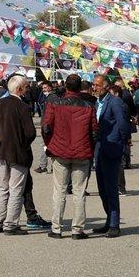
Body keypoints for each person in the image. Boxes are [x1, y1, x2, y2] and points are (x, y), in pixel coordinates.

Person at [42, 74, 98, 238]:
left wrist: (49, 145)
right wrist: (90, 149)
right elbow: (94, 131)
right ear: (80, 87)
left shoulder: (55, 103)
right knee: (79, 192)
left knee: (59, 190)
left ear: (65, 86)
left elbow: (46, 127)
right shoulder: (89, 105)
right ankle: (77, 229)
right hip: (81, 152)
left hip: (60, 151)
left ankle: (57, 228)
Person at [0, 75, 36, 235]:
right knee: (16, 189)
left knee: (3, 187)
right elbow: (30, 133)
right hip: (18, 152)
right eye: (26, 88)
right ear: (20, 89)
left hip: (1, 151)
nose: (27, 91)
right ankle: (10, 224)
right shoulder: (23, 107)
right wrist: (22, 144)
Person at [92, 74, 131, 237]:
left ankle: (115, 223)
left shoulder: (116, 102)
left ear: (106, 87)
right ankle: (109, 220)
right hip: (99, 148)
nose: (95, 87)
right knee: (102, 188)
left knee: (111, 188)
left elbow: (123, 125)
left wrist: (121, 145)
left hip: (112, 148)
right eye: (94, 85)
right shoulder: (97, 102)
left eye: (98, 85)